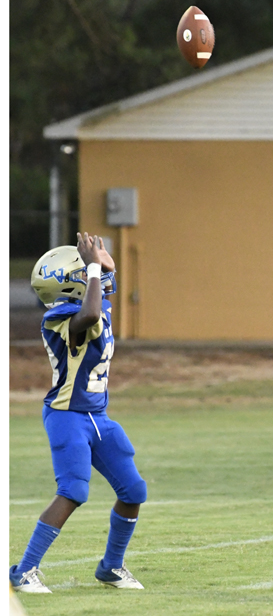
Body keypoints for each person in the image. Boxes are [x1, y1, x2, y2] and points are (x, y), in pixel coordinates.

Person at [10, 233, 147, 593]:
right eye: (85, 271)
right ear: (68, 280)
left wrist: (105, 266)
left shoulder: (92, 296)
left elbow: (101, 294)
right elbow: (88, 312)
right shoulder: (59, 317)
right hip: (67, 416)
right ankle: (24, 571)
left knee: (133, 490)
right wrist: (91, 269)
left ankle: (111, 567)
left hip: (98, 417)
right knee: (73, 490)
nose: (97, 276)